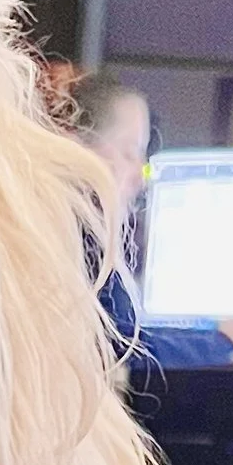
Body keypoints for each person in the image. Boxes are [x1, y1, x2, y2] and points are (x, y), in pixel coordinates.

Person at [71, 66, 152, 344]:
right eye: (130, 153)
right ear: (78, 147)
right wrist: (223, 344)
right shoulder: (77, 238)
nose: (140, 179)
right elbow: (120, 342)